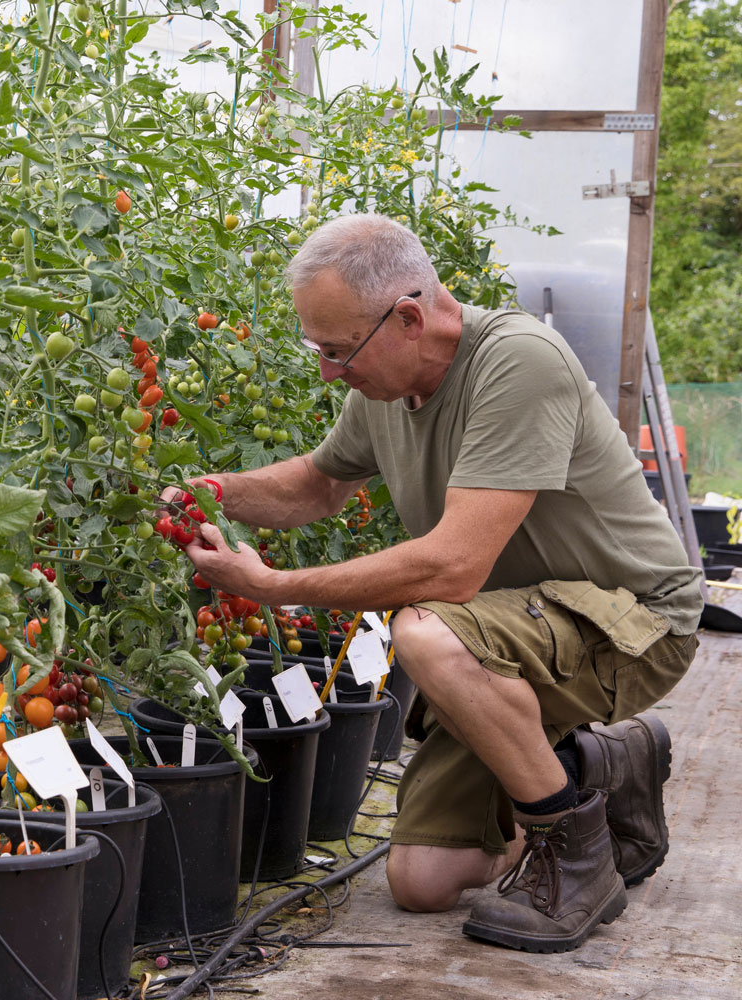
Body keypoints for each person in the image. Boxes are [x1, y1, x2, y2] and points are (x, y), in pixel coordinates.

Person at [168, 213, 703, 953]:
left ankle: (574, 858)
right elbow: (318, 487)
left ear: (409, 317)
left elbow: (455, 566)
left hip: (632, 621)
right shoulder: (385, 389)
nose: (328, 370)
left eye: (336, 350)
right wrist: (211, 494)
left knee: (423, 627)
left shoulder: (518, 363)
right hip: (510, 637)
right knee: (423, 882)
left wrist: (271, 583)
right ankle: (599, 764)